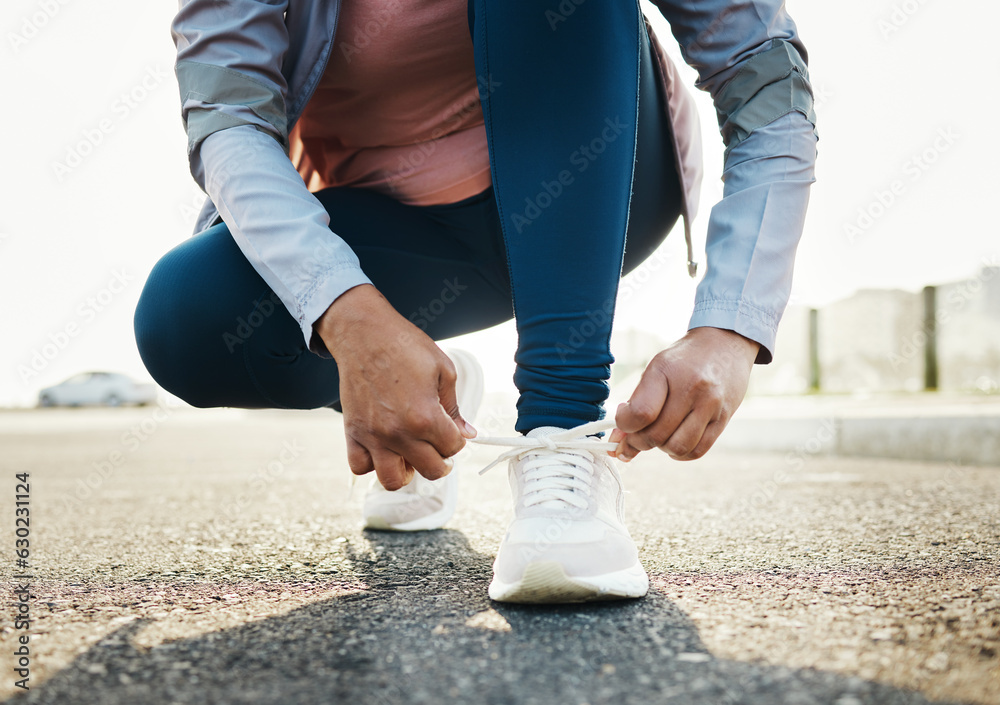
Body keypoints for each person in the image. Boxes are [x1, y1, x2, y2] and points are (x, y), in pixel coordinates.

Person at [135, 0, 817, 604]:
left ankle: (561, 436)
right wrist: (349, 317)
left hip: (606, 184)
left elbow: (764, 74)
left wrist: (731, 325)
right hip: (396, 228)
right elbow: (227, 119)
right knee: (185, 317)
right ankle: (428, 398)